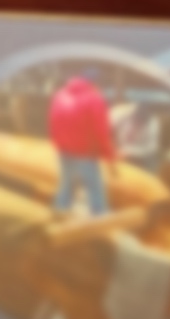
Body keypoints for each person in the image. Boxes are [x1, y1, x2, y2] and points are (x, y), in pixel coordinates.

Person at [47, 71, 118, 218]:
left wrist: (57, 144)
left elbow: (52, 122)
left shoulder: (60, 95)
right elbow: (101, 132)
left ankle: (57, 215)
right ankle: (100, 220)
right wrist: (110, 158)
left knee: (66, 185)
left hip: (64, 150)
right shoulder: (94, 99)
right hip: (85, 152)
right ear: (96, 84)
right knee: (95, 188)